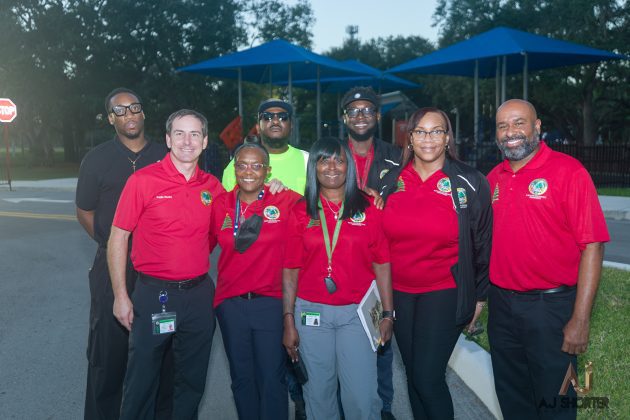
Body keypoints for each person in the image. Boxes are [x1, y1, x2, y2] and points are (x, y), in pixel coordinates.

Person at [487, 99, 609, 419]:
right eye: (502, 126)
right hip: (501, 307)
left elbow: (593, 246)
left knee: (556, 403)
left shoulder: (569, 172)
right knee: (513, 398)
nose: (510, 132)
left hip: (550, 309)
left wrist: (580, 319)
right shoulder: (494, 178)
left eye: (519, 123)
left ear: (537, 127)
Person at [108, 109, 225, 420]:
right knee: (142, 380)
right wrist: (121, 296)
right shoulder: (142, 181)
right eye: (180, 133)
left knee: (191, 381)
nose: (187, 141)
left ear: (205, 141)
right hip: (153, 294)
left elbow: (220, 233)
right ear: (168, 139)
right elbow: (118, 237)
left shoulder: (212, 187)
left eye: (195, 134)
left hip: (198, 296)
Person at [380, 107, 492, 419]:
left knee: (428, 378)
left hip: (444, 291)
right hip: (399, 294)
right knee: (414, 376)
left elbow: (484, 243)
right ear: (410, 138)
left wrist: (480, 297)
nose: (428, 138)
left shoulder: (469, 181)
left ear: (447, 138)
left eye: (436, 131)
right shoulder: (391, 180)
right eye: (420, 131)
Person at [282, 137, 394, 420]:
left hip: (357, 314)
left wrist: (388, 314)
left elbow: (382, 263)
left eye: (339, 160)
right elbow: (291, 270)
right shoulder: (300, 211)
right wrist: (288, 320)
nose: (332, 167)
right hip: (311, 314)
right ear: (314, 166)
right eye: (324, 160)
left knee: (361, 396)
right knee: (318, 394)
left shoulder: (368, 206)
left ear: (348, 167)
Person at [75, 87, 169, 420]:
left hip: (158, 270)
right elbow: (85, 211)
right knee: (108, 355)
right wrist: (113, 244)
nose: (129, 115)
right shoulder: (96, 159)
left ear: (144, 113)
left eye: (134, 108)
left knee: (158, 353)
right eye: (120, 110)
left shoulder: (165, 155)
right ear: (110, 119)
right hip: (111, 269)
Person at [210, 141, 302, 420]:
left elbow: (327, 200)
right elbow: (198, 243)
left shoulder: (286, 200)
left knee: (271, 377)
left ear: (267, 171)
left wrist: (369, 196)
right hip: (230, 304)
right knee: (241, 378)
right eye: (242, 165)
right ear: (234, 169)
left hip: (271, 303)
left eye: (256, 166)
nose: (248, 171)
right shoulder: (221, 204)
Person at [341, 86, 401, 420]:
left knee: (381, 336)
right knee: (341, 341)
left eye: (367, 110)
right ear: (344, 118)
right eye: (354, 111)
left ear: (378, 116)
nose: (360, 116)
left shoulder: (398, 157)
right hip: (343, 261)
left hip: (382, 262)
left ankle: (384, 407)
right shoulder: (332, 155)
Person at [222, 99, 308, 193]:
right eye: (267, 117)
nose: (275, 121)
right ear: (258, 128)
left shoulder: (308, 160)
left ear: (291, 126)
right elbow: (227, 201)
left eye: (283, 117)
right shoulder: (238, 165)